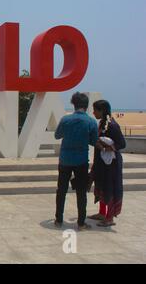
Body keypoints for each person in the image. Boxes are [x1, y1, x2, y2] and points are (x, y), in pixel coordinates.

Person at [54, 92, 98, 231]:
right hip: (81, 161)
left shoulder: (65, 120)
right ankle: (80, 222)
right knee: (81, 192)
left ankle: (58, 219)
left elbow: (57, 135)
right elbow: (93, 141)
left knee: (61, 190)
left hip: (65, 160)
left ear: (73, 104)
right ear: (86, 105)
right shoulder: (91, 121)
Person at [88, 100, 126, 227]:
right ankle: (102, 213)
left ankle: (109, 218)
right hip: (102, 163)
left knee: (109, 188)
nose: (93, 113)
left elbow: (121, 143)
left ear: (102, 111)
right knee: (101, 186)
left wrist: (105, 148)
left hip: (111, 165)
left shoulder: (112, 125)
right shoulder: (102, 124)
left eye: (96, 110)